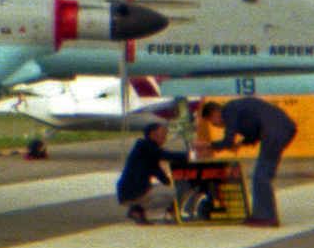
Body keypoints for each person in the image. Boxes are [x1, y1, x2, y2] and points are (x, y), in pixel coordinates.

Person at [195, 97, 297, 227]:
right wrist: (241, 144)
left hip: (274, 130)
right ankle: (264, 215)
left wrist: (207, 144)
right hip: (283, 127)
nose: (215, 125)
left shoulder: (229, 110)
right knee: (262, 175)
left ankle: (266, 217)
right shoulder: (237, 109)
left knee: (261, 176)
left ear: (215, 113)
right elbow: (254, 131)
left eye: (212, 122)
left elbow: (227, 141)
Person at [116, 122, 188, 225]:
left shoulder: (143, 148)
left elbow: (156, 170)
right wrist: (189, 155)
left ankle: (137, 211)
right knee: (177, 191)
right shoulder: (148, 148)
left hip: (127, 192)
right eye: (163, 134)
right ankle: (170, 211)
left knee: (170, 188)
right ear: (152, 134)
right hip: (135, 192)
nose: (165, 138)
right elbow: (168, 156)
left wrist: (168, 182)